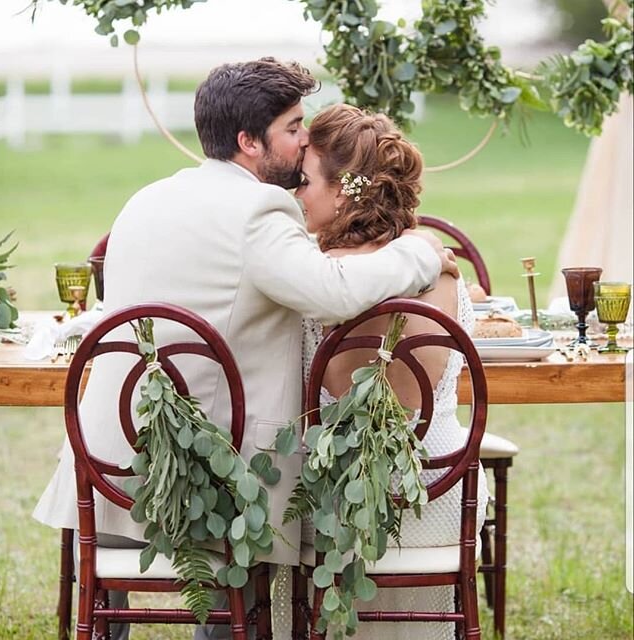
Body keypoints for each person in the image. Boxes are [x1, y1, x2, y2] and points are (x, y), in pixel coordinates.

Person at [33, 59, 458, 639]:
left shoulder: (146, 197)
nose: (304, 137)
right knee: (250, 568)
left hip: (108, 459)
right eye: (292, 127)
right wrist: (423, 252)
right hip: (201, 477)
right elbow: (332, 294)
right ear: (249, 142)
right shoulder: (260, 211)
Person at [283, 103, 489, 640]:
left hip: (332, 507)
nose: (295, 194)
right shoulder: (443, 273)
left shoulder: (311, 281)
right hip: (438, 490)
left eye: (303, 182)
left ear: (344, 190)